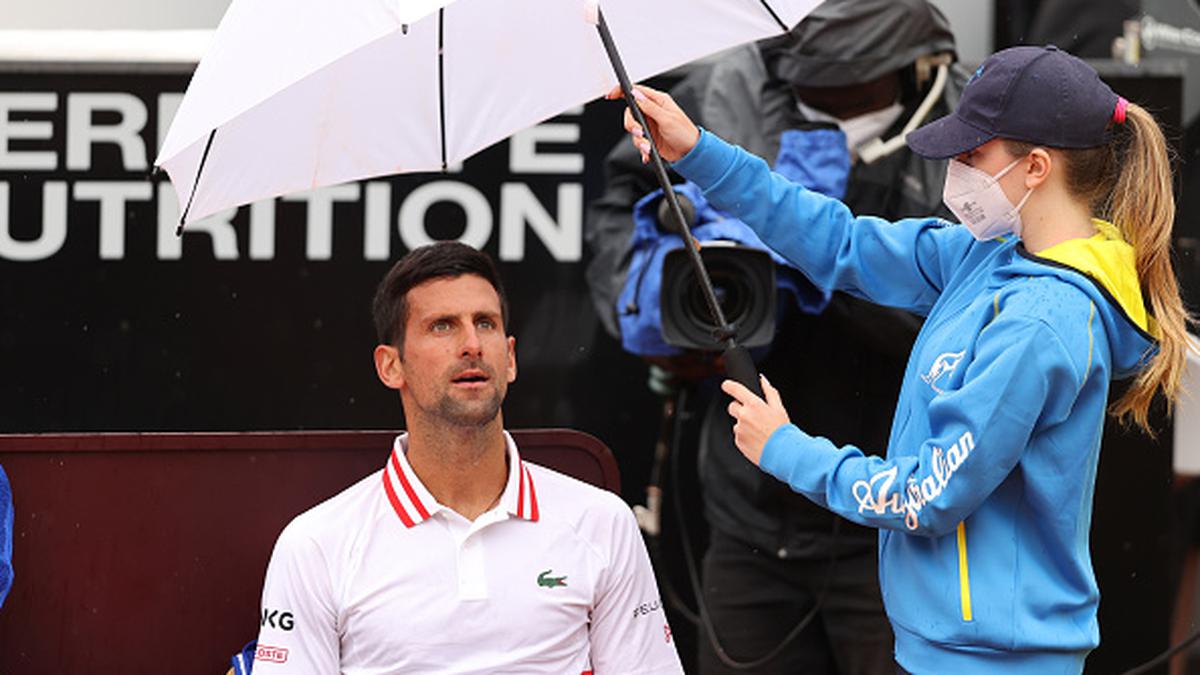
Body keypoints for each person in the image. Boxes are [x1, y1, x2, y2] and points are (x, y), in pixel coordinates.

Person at [615, 44, 1192, 673]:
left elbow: (925, 496)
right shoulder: (992, 255)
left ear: (1034, 168)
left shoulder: (1039, 321)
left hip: (992, 660)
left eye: (974, 153)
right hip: (947, 650)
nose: (957, 167)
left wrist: (784, 447)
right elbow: (840, 242)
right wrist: (697, 150)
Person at [584, 2, 961, 672]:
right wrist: (656, 301)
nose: (808, 86)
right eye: (791, 71)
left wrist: (809, 280)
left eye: (837, 77)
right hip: (751, 521)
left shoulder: (967, 133)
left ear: (905, 61)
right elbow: (623, 208)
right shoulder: (718, 91)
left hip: (898, 520)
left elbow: (958, 303)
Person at [252, 242, 684, 674]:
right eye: (443, 326)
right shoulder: (315, 545)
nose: (472, 344)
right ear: (390, 366)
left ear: (511, 357)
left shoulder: (602, 522)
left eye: (485, 323)